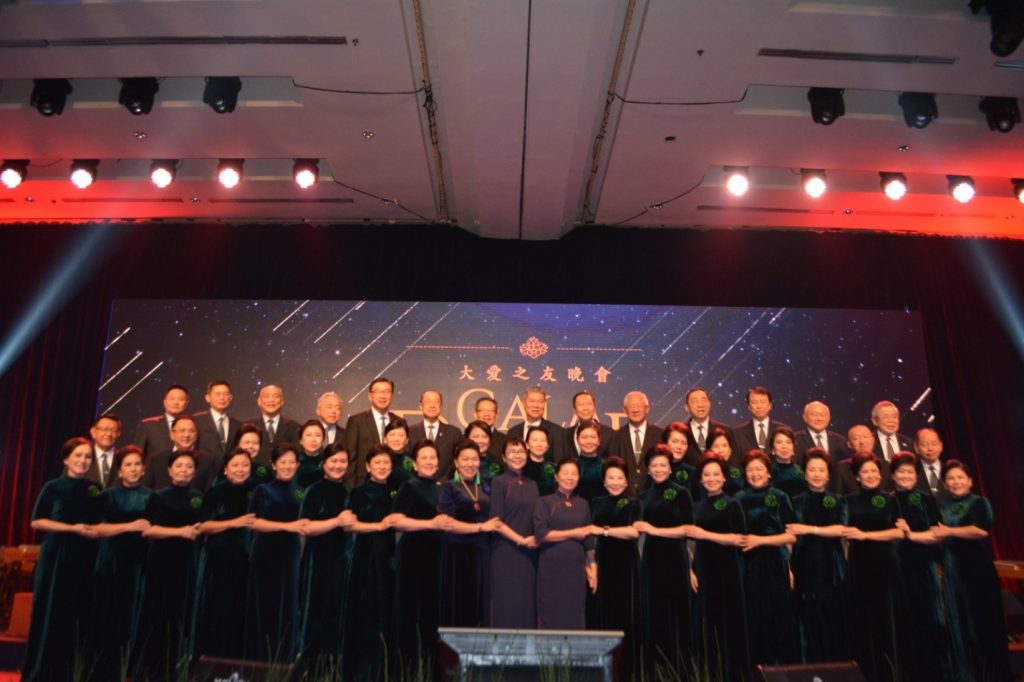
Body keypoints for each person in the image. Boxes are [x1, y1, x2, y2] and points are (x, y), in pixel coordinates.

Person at [22, 437, 101, 682]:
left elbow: (99, 521)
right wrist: (72, 528)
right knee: (52, 611)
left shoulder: (95, 488)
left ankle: (73, 673)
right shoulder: (53, 487)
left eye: (87, 457)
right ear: (66, 459)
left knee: (79, 612)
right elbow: (37, 521)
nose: (83, 460)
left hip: (86, 555)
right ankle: (44, 673)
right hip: (57, 555)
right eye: (78, 455)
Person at [937, 460, 1011, 682]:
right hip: (953, 571)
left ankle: (991, 675)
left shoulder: (979, 502)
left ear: (970, 481)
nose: (956, 482)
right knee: (959, 623)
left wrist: (949, 531)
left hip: (978, 572)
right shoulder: (941, 506)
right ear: (944, 483)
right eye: (951, 478)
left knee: (983, 623)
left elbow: (981, 530)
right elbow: (934, 533)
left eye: (960, 477)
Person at [132, 450, 203, 682]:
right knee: (158, 615)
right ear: (169, 470)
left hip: (188, 562)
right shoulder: (157, 497)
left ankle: (179, 670)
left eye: (189, 466)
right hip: (161, 563)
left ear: (195, 471)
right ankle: (153, 671)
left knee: (183, 615)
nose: (184, 470)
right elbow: (147, 530)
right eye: (179, 466)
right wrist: (180, 532)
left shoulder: (199, 497)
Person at [890, 452, 959, 682]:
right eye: (901, 471)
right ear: (893, 475)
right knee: (904, 622)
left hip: (923, 567)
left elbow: (937, 535)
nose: (906, 475)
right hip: (897, 569)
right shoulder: (888, 500)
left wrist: (910, 534)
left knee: (929, 621)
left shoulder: (926, 499)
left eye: (910, 471)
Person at [90, 445, 152, 680]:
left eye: (137, 464)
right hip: (111, 560)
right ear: (119, 470)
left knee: (135, 613)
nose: (133, 469)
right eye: (128, 465)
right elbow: (97, 528)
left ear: (144, 469)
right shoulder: (108, 495)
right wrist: (129, 526)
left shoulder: (152, 496)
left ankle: (132, 667)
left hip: (140, 561)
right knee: (108, 612)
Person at [631, 445, 694, 677]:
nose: (658, 469)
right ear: (648, 469)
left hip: (675, 558)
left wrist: (655, 530)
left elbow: (688, 529)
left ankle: (678, 671)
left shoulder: (681, 492)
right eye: (654, 466)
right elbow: (638, 530)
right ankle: (654, 672)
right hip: (650, 559)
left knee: (676, 612)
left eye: (663, 465)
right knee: (653, 612)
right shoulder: (642, 496)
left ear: (670, 468)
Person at [785, 448, 851, 663]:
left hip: (832, 567)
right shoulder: (795, 501)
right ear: (804, 473)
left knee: (832, 618)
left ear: (828, 474)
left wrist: (810, 529)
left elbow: (841, 530)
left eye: (821, 470)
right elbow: (789, 537)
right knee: (806, 619)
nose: (816, 474)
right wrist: (788, 568)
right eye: (812, 470)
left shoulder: (838, 500)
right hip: (803, 565)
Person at [244, 443, 308, 662]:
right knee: (265, 603)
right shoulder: (263, 490)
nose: (287, 466)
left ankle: (285, 659)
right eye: (283, 462)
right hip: (265, 552)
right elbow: (254, 523)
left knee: (289, 602)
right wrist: (287, 526)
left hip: (291, 553)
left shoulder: (301, 492)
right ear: (273, 464)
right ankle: (260, 659)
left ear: (297, 465)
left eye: (292, 462)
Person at [735, 450, 799, 666]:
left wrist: (761, 541)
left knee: (779, 618)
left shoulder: (780, 497)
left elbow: (791, 536)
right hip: (748, 566)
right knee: (754, 619)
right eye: (750, 470)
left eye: (759, 469)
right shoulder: (738, 499)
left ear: (769, 472)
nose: (755, 473)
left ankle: (780, 671)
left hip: (776, 564)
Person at [690, 455, 751, 682]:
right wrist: (690, 570)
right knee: (706, 623)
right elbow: (691, 543)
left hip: (728, 570)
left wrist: (705, 534)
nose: (712, 478)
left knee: (729, 623)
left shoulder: (733, 503)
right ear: (701, 479)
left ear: (724, 477)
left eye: (716, 474)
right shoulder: (696, 506)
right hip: (703, 569)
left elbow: (739, 539)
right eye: (707, 475)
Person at [842, 452, 902, 682]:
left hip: (886, 565)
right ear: (857, 477)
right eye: (865, 472)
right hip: (859, 565)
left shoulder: (890, 499)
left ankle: (890, 674)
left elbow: (899, 532)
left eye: (874, 471)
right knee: (863, 620)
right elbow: (845, 533)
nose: (870, 475)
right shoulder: (848, 500)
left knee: (887, 619)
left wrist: (866, 535)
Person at [391, 441, 448, 678]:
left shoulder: (442, 489)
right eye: (423, 458)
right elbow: (396, 521)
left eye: (433, 457)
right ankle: (409, 671)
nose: (429, 462)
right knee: (411, 614)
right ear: (414, 464)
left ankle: (430, 671)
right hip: (413, 557)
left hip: (436, 557)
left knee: (431, 616)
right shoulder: (409, 486)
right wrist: (430, 524)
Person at [192, 447, 256, 660]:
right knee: (220, 611)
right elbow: (203, 526)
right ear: (226, 469)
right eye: (235, 465)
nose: (240, 469)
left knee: (242, 612)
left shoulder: (256, 491)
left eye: (245, 465)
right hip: (219, 561)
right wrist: (233, 522)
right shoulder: (215, 492)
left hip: (247, 560)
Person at [343, 445, 399, 682]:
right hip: (364, 556)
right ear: (367, 466)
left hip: (390, 557)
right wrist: (378, 526)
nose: (382, 467)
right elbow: (349, 525)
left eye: (386, 463)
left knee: (387, 609)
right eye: (377, 463)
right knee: (365, 610)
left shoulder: (397, 491)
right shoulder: (357, 492)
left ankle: (384, 671)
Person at [297, 443, 355, 674]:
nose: (338, 466)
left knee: (337, 615)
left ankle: (333, 671)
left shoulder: (349, 491)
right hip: (318, 561)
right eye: (334, 461)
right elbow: (305, 527)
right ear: (324, 464)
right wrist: (336, 521)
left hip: (343, 561)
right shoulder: (314, 490)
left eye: (342, 461)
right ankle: (311, 671)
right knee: (315, 615)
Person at [587, 457, 640, 678]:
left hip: (626, 567)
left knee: (625, 618)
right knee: (602, 617)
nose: (615, 482)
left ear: (626, 481)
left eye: (620, 478)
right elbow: (589, 537)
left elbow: (633, 532)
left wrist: (604, 530)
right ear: (604, 481)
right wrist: (591, 566)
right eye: (611, 478)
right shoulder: (596, 503)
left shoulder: (633, 503)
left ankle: (625, 672)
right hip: (602, 566)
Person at [439, 440, 501, 627]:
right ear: (456, 463)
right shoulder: (448, 487)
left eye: (474, 459)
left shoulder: (487, 486)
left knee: (482, 604)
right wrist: (480, 527)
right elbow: (447, 524)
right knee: (460, 603)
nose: (470, 463)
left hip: (483, 552)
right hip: (457, 553)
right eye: (465, 459)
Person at [533, 458, 592, 630]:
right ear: (556, 477)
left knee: (575, 611)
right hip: (551, 566)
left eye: (574, 473)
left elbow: (589, 541)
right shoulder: (544, 502)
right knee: (551, 610)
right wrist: (573, 533)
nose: (570, 477)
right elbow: (542, 535)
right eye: (565, 473)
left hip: (576, 568)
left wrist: (593, 567)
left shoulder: (583, 504)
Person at [488, 437, 540, 628]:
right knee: (506, 601)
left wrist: (536, 538)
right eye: (512, 452)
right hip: (506, 549)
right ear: (504, 457)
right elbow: (496, 522)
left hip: (530, 551)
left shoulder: (532, 484)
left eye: (521, 451)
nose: (517, 456)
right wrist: (520, 540)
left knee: (526, 602)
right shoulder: (499, 482)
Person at [343, 377, 398, 486]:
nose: (383, 396)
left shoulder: (398, 421)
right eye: (378, 391)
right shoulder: (356, 421)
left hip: (393, 484)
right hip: (363, 484)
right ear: (370, 396)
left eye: (387, 391)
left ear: (391, 396)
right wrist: (350, 488)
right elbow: (350, 457)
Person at [143, 415, 217, 491]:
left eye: (191, 431)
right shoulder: (156, 459)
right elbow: (146, 490)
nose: (187, 435)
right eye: (182, 431)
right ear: (171, 435)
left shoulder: (208, 460)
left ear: (196, 434)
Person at [608, 390, 663, 494]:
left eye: (639, 406)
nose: (635, 410)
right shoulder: (616, 436)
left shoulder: (660, 434)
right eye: (631, 406)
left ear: (647, 409)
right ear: (624, 410)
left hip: (653, 494)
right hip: (625, 496)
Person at [246, 384, 301, 469]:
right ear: (259, 401)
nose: (271, 400)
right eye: (267, 396)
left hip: (285, 473)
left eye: (276, 396)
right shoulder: (247, 426)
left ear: (282, 401)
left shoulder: (295, 427)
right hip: (254, 473)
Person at [409, 390, 462, 473]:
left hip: (446, 480)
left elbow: (457, 462)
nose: (432, 406)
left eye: (436, 402)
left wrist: (444, 480)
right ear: (421, 406)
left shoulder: (454, 433)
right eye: (428, 402)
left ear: (441, 406)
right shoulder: (410, 432)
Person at [507, 386, 565, 460]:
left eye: (540, 402)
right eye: (532, 401)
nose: (536, 405)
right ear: (523, 404)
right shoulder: (512, 432)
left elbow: (559, 461)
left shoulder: (557, 432)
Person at [732, 386, 790, 456]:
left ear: (770, 405)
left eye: (763, 402)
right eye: (755, 402)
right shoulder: (737, 433)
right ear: (749, 407)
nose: (759, 406)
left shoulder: (783, 430)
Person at [134, 385, 189, 458]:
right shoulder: (148, 426)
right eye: (172, 399)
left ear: (187, 403)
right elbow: (137, 455)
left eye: (180, 399)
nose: (176, 402)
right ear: (165, 402)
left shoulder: (193, 425)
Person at [683, 387, 733, 465]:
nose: (700, 405)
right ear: (686, 407)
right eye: (695, 401)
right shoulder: (681, 433)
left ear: (709, 404)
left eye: (703, 400)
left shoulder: (726, 430)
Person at [194, 380, 240, 462]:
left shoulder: (237, 425)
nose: (222, 398)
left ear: (230, 398)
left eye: (226, 394)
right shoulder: (196, 421)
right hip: (204, 468)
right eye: (218, 394)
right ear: (208, 398)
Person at [563, 390, 613, 457]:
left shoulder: (609, 433)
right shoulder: (565, 434)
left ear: (594, 408)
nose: (585, 408)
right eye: (581, 405)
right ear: (574, 410)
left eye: (589, 404)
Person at [653, 421, 696, 493]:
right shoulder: (655, 469)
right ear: (665, 443)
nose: (679, 446)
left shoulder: (692, 473)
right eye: (675, 441)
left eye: (684, 443)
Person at [768, 426, 805, 498]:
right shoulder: (768, 472)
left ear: (793, 447)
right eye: (779, 442)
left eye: (788, 442)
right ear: (773, 448)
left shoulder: (800, 471)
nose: (784, 446)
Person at [88, 412, 123, 489]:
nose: (109, 434)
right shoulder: (82, 456)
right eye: (105, 429)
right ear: (93, 432)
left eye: (114, 430)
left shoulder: (123, 459)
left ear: (118, 434)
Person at [574, 421, 605, 501]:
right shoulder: (571, 466)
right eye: (584, 437)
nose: (588, 441)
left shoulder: (606, 466)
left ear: (599, 440)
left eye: (593, 437)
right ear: (577, 440)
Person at [522, 426, 557, 495]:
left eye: (543, 441)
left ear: (547, 446)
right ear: (527, 445)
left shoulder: (553, 467)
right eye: (535, 440)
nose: (539, 444)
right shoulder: (521, 467)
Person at [473, 396, 507, 462]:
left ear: (496, 415)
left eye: (491, 411)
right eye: (483, 410)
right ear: (475, 414)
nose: (487, 414)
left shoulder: (505, 441)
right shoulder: (464, 439)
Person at [914, 427, 946, 496]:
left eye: (934, 444)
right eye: (924, 445)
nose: (930, 448)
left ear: (941, 446)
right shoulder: (912, 472)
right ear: (916, 448)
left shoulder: (949, 470)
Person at [295, 419, 327, 488]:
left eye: (318, 435)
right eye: (308, 435)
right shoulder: (295, 463)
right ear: (301, 440)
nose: (313, 439)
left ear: (323, 440)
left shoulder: (328, 462)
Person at [383, 418, 413, 484]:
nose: (396, 439)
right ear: (384, 439)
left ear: (407, 440)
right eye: (392, 435)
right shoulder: (378, 459)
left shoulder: (411, 460)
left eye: (401, 435)